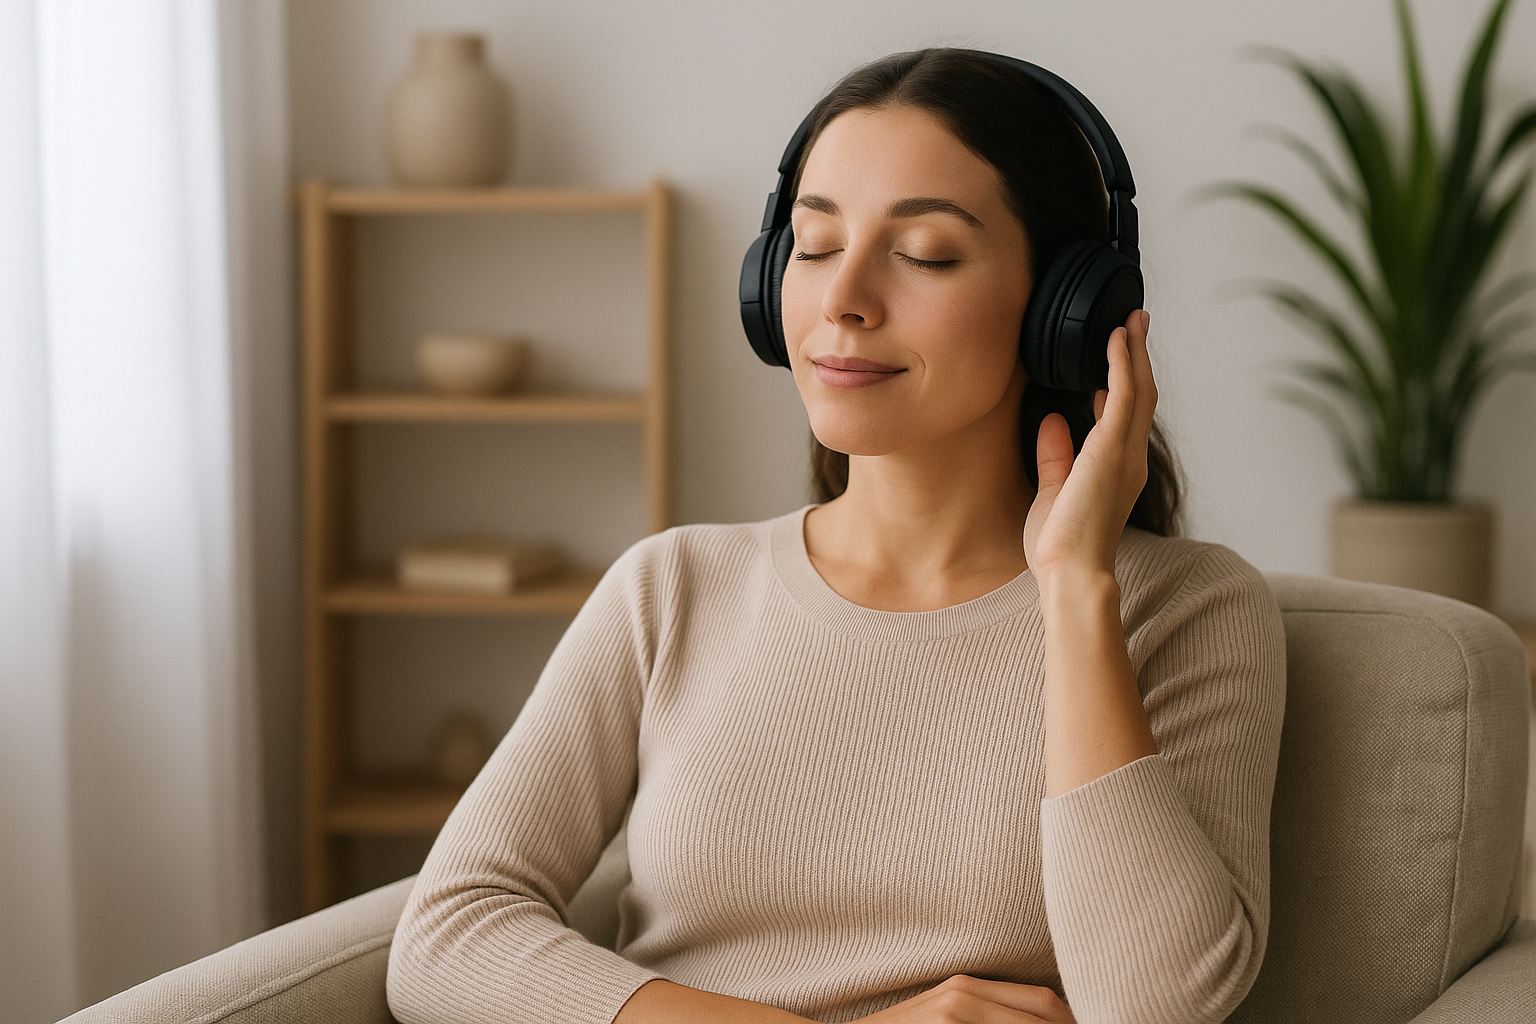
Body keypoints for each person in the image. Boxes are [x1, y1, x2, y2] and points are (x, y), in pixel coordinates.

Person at [386, 48, 1285, 1024]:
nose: (844, 297)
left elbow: (1156, 1007)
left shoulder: (1188, 610)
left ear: (1066, 309)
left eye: (926, 253)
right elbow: (446, 938)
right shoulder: (674, 587)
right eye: (813, 247)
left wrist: (1075, 593)